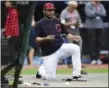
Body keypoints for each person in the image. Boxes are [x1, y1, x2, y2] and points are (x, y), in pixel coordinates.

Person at [35, 3, 82, 80]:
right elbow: (37, 39)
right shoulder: (40, 23)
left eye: (52, 10)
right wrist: (46, 38)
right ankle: (41, 70)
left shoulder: (57, 21)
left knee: (76, 48)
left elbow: (66, 34)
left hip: (60, 47)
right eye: (49, 10)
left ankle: (77, 74)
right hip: (49, 52)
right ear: (44, 11)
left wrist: (73, 37)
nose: (51, 12)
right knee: (51, 78)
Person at [85, 0, 106, 65]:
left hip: (99, 26)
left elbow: (104, 14)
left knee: (99, 43)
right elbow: (89, 14)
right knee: (92, 43)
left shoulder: (101, 5)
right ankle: (93, 59)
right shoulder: (88, 4)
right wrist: (99, 13)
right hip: (91, 27)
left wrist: (95, 12)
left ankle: (98, 58)